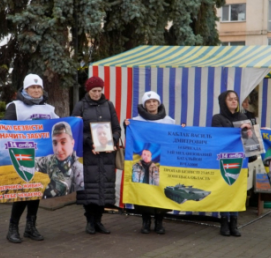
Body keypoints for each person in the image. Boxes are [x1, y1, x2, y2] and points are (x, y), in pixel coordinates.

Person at [0, 74, 58, 244]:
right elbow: (6, 129)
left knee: (36, 191)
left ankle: (30, 227)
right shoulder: (15, 107)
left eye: (38, 87)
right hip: (22, 155)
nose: (36, 90)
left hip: (43, 157)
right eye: (32, 87)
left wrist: (75, 121)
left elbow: (59, 127)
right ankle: (13, 228)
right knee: (23, 193)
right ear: (25, 89)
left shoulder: (49, 109)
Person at [72, 76, 121, 235]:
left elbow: (116, 128)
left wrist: (112, 141)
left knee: (104, 189)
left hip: (106, 155)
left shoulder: (108, 105)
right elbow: (75, 130)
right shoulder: (81, 106)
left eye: (100, 90)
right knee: (89, 189)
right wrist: (89, 142)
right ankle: (90, 222)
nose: (97, 93)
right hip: (88, 154)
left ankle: (99, 221)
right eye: (94, 91)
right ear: (88, 90)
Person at [124, 91, 178, 234]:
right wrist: (127, 126)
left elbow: (174, 141)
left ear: (158, 103)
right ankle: (146, 222)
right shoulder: (135, 121)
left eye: (154, 101)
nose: (152, 104)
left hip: (163, 164)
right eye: (148, 102)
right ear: (144, 104)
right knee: (144, 192)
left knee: (162, 192)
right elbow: (131, 140)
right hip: (142, 164)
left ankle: (159, 222)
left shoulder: (169, 121)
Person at [211, 90, 257, 237]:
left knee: (237, 191)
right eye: (230, 99)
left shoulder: (244, 118)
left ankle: (234, 223)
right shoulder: (217, 118)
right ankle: (224, 222)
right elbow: (218, 138)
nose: (233, 101)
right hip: (225, 159)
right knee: (225, 190)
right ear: (223, 101)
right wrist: (236, 131)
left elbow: (249, 139)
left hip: (240, 160)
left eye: (235, 99)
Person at [35, 121, 84, 199]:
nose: (58, 149)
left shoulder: (79, 172)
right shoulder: (50, 160)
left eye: (63, 142)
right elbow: (33, 162)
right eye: (55, 143)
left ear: (72, 143)